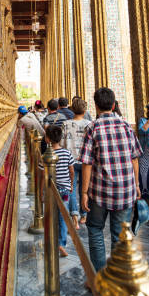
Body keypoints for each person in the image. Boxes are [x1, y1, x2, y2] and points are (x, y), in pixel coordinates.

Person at [80, 87, 142, 272]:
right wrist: (137, 185)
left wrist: (84, 192)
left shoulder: (92, 127)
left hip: (100, 191)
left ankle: (99, 276)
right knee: (120, 235)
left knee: (95, 229)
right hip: (125, 190)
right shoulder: (126, 126)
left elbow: (87, 163)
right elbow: (135, 158)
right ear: (114, 105)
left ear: (96, 106)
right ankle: (117, 276)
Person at [39, 124, 74, 257]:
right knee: (63, 216)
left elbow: (42, 176)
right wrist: (71, 184)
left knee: (51, 215)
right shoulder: (66, 153)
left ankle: (51, 239)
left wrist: (41, 192)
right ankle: (61, 242)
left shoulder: (45, 156)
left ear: (47, 139)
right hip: (64, 189)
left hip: (50, 190)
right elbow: (71, 171)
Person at [61, 97, 91, 229]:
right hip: (85, 161)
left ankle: (74, 217)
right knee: (84, 188)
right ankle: (84, 215)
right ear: (84, 110)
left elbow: (62, 144)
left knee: (71, 188)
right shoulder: (90, 124)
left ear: (72, 110)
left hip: (70, 161)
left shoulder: (66, 124)